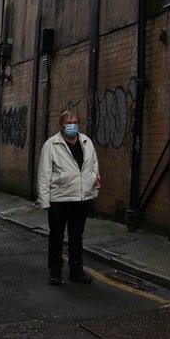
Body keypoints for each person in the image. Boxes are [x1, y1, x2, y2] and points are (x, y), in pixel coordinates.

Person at [36, 110, 101, 285]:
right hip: (59, 199)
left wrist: (94, 188)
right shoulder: (52, 144)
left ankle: (76, 271)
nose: (72, 126)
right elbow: (44, 174)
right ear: (61, 125)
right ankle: (55, 272)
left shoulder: (87, 142)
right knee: (56, 236)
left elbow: (94, 167)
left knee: (76, 236)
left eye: (75, 122)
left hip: (81, 198)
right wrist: (44, 200)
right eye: (68, 123)